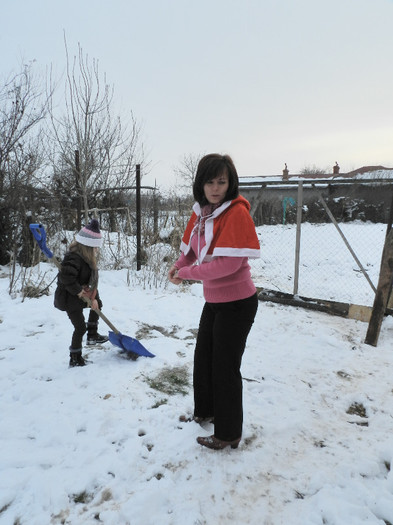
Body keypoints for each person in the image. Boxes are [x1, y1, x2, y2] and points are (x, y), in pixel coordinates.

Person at [168, 153, 260, 450]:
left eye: (222, 181)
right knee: (204, 358)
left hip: (238, 303)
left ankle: (229, 432)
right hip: (215, 301)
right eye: (210, 181)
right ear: (201, 184)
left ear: (230, 183)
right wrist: (178, 264)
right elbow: (192, 251)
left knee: (225, 366)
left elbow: (228, 265)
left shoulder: (236, 213)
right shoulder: (202, 213)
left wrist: (189, 273)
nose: (216, 187)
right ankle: (206, 412)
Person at [54, 218, 108, 367]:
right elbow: (66, 277)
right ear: (88, 246)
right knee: (79, 328)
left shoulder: (87, 259)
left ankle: (92, 335)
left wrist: (94, 297)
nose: (97, 250)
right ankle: (75, 358)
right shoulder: (74, 258)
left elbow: (90, 281)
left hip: (79, 294)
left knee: (99, 305)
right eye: (95, 248)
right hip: (68, 297)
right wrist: (79, 291)